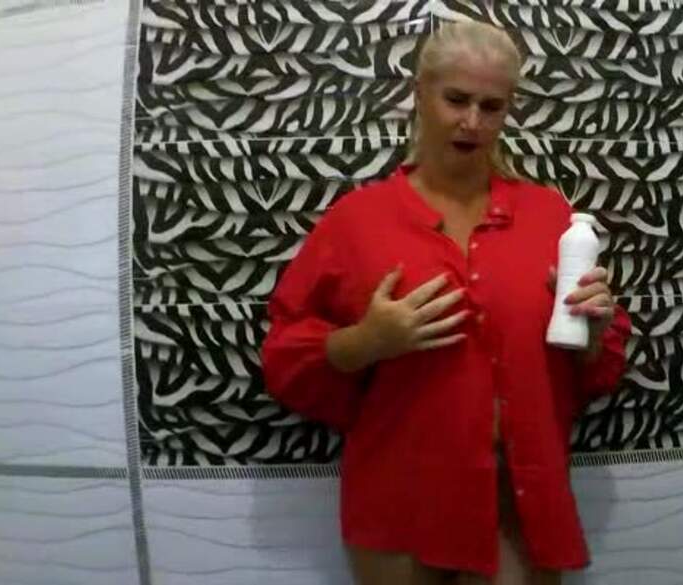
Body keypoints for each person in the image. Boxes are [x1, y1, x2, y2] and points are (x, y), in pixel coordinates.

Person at [261, 20, 631, 585]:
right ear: (420, 93)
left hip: (518, 496)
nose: (472, 122)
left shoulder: (548, 217)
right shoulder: (357, 221)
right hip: (399, 496)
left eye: (492, 106)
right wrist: (367, 341)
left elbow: (593, 365)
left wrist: (594, 333)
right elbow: (285, 354)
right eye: (456, 99)